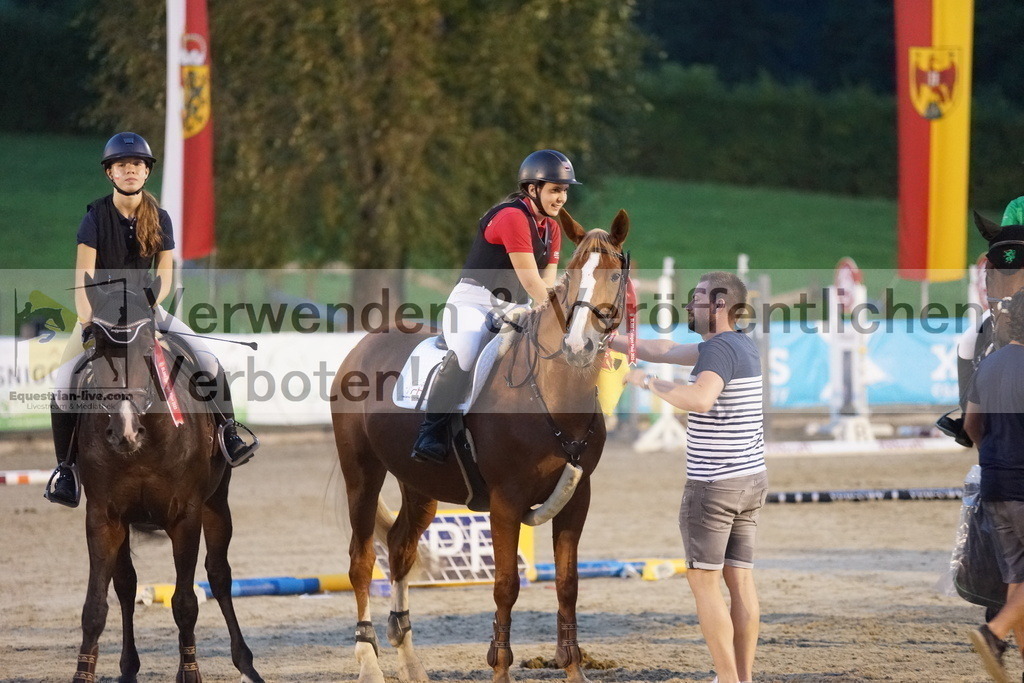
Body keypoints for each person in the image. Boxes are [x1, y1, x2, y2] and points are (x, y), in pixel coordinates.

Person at [44, 132, 257, 508]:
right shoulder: (94, 218)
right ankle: (65, 470)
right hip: (100, 313)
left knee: (207, 360)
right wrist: (88, 321)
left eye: (137, 166)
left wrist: (146, 308)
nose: (131, 171)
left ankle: (228, 431)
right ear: (110, 173)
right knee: (63, 383)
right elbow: (81, 279)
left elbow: (166, 276)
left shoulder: (159, 218)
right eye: (123, 166)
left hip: (148, 311)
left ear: (146, 173)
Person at [610, 271, 765, 683]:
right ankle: (743, 679)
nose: (689, 304)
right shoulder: (739, 345)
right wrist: (614, 342)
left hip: (714, 485)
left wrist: (644, 380)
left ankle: (727, 679)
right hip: (751, 480)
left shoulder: (717, 352)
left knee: (704, 584)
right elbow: (664, 349)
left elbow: (699, 399)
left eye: (697, 297)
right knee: (741, 583)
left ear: (719, 306)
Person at [410, 149, 581, 464]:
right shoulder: (512, 217)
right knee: (467, 351)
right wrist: (560, 319)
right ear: (532, 189)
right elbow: (532, 282)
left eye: (565, 191)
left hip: (515, 308)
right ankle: (430, 431)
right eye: (555, 190)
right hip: (473, 303)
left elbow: (548, 286)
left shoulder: (552, 229)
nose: (561, 198)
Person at [964, 289, 1024, 683]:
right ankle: (994, 633)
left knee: (1018, 582)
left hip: (995, 482)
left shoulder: (988, 365)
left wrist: (993, 454)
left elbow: (971, 427)